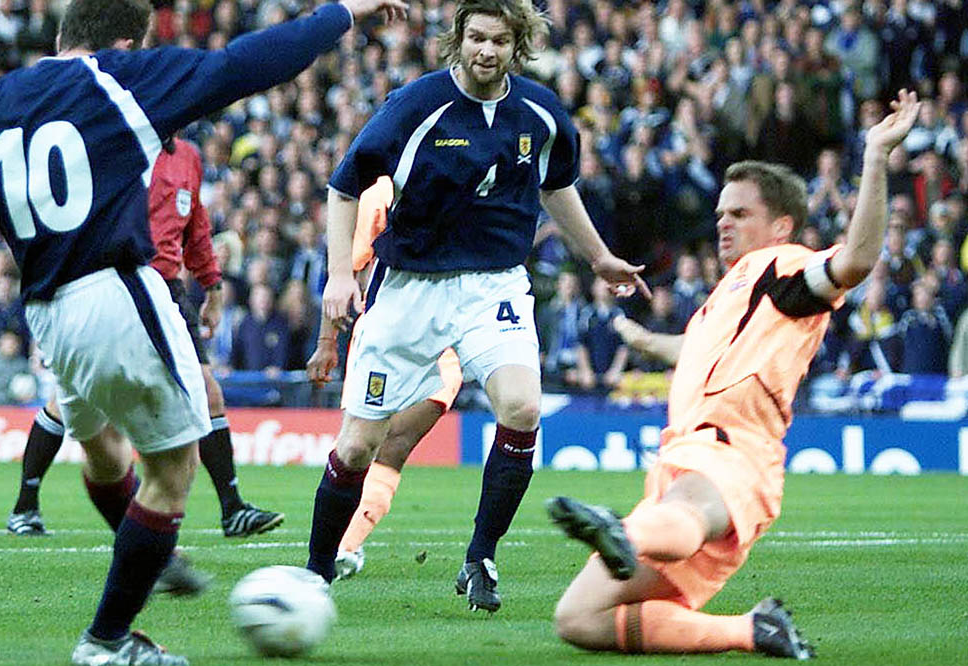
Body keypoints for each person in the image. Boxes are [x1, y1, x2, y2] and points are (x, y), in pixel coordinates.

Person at [0, 0, 408, 663]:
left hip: (48, 313)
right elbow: (244, 64)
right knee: (171, 469)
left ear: (58, 37)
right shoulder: (120, 78)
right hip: (116, 290)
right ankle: (108, 637)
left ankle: (146, 555)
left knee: (105, 452)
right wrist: (340, 11)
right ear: (127, 42)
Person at [546, 90, 920, 659]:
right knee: (578, 618)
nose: (723, 223)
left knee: (687, 516)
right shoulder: (729, 296)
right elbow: (701, 350)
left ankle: (625, 530)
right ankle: (753, 630)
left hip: (731, 452)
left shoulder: (781, 265)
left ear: (781, 226)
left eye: (740, 214)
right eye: (720, 213)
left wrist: (873, 157)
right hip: (683, 464)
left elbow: (856, 262)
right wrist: (648, 341)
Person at [306, 0, 646, 615]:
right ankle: (315, 572)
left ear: (518, 45)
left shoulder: (542, 113)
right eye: (477, 38)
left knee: (522, 408)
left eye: (499, 40)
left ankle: (480, 557)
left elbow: (557, 185)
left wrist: (598, 257)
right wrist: (336, 274)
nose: (486, 51)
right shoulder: (416, 105)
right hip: (410, 285)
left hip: (495, 285)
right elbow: (343, 185)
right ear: (458, 40)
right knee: (357, 447)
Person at [6, 137, 284, 543]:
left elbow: (197, 224)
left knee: (209, 394)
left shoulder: (188, 155)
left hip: (169, 289)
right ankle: (24, 506)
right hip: (119, 285)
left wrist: (212, 286)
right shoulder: (120, 144)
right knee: (69, 400)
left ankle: (233, 508)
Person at [305, 176, 463, 581]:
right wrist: (327, 342)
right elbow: (347, 270)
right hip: (383, 341)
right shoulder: (378, 194)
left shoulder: (470, 180)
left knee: (395, 442)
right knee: (357, 446)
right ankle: (333, 548)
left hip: (445, 345)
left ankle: (344, 547)